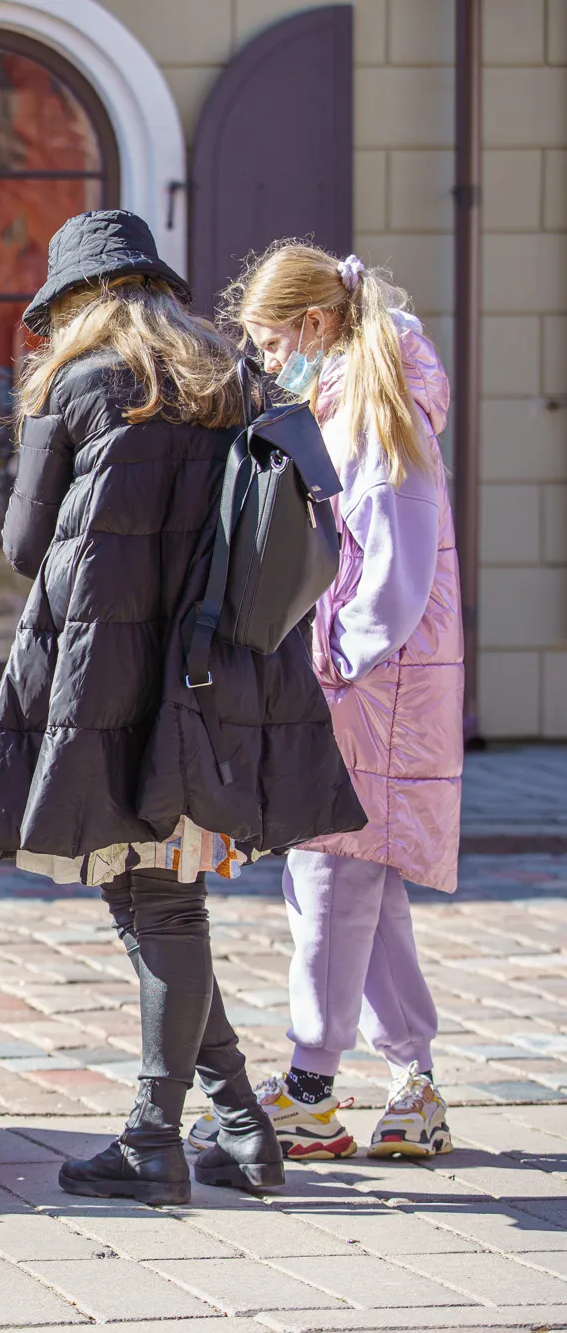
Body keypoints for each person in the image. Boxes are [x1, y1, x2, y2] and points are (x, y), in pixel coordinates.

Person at [0, 210, 366, 1205]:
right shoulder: (238, 382)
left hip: (110, 675)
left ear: (75, 306)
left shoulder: (78, 388)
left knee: (157, 904)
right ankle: (239, 1128)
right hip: (221, 673)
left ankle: (152, 1141)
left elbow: (23, 549)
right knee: (153, 900)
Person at [197, 243, 461, 1160]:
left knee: (326, 870)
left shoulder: (376, 415)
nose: (268, 362)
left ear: (316, 325)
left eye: (273, 342)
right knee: (363, 879)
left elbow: (391, 574)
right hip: (377, 680)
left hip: (369, 684)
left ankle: (310, 1084)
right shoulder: (354, 400)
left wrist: (332, 664)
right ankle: (414, 1080)